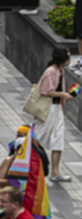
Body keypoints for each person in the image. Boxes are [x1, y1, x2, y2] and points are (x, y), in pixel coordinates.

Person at [31, 47, 73, 180]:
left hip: (57, 109)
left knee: (58, 139)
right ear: (63, 59)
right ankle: (21, 160)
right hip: (48, 110)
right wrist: (63, 94)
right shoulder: (51, 72)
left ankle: (55, 172)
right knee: (38, 137)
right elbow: (45, 91)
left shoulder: (60, 71)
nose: (70, 59)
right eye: (68, 56)